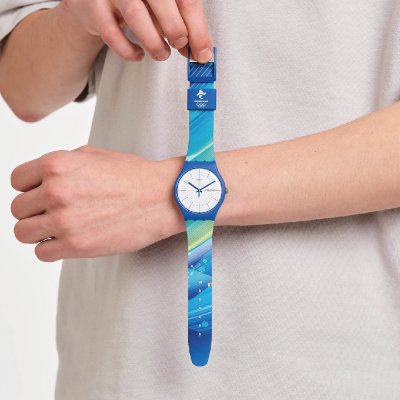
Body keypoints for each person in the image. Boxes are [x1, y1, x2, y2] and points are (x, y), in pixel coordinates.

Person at [1, 0, 400, 398]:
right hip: (117, 358)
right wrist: (75, 16)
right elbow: (23, 90)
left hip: (334, 360)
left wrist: (163, 194)